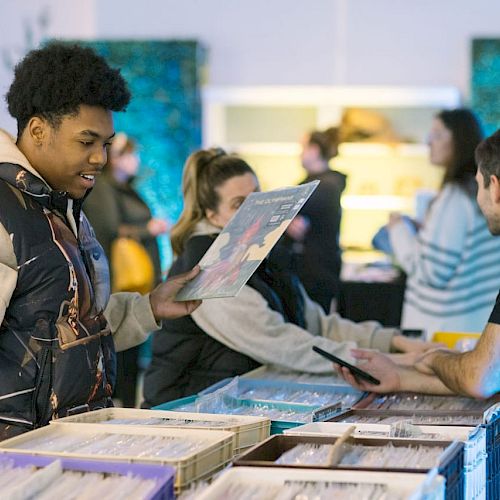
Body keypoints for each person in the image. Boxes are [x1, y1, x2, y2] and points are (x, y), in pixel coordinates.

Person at [0, 42, 200, 440]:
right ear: (38, 130)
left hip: (71, 443)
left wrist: (151, 307)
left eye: (105, 144)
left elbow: (70, 325)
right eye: (86, 141)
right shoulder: (6, 214)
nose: (100, 158)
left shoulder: (63, 206)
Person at [143, 148, 437, 406]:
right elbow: (280, 342)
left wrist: (394, 342)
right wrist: (388, 362)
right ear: (212, 214)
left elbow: (317, 324)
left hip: (228, 406)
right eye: (238, 204)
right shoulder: (208, 268)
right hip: (186, 413)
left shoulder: (258, 254)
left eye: (256, 198)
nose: (252, 211)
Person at [336, 129, 500, 399]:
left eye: (479, 185)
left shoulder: (453, 198)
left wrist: (434, 358)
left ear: (494, 188)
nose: (428, 140)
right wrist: (400, 377)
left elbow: (480, 378)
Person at [388, 109, 500, 336]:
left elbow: (431, 272)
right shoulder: (476, 190)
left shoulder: (454, 198)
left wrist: (397, 230)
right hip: (475, 324)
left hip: (444, 335)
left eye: (438, 135)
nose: (429, 141)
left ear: (459, 140)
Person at [84, 132, 169, 407]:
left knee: (131, 347)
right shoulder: (103, 188)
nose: (135, 160)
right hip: (118, 282)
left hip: (135, 285)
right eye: (128, 154)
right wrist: (147, 229)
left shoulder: (125, 188)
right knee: (122, 349)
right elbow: (108, 229)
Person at [285, 127, 346, 312]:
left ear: (314, 150)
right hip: (313, 271)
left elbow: (287, 211)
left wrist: (285, 220)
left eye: (303, 148)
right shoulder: (320, 184)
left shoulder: (325, 186)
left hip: (316, 274)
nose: (299, 154)